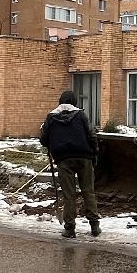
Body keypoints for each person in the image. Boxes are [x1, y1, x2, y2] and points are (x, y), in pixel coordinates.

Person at [39, 88, 100, 238]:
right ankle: (94, 226)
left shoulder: (51, 118)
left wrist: (51, 142)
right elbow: (91, 134)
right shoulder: (81, 115)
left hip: (63, 159)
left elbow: (43, 140)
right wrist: (94, 152)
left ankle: (70, 228)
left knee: (69, 194)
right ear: (74, 102)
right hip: (84, 157)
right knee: (88, 191)